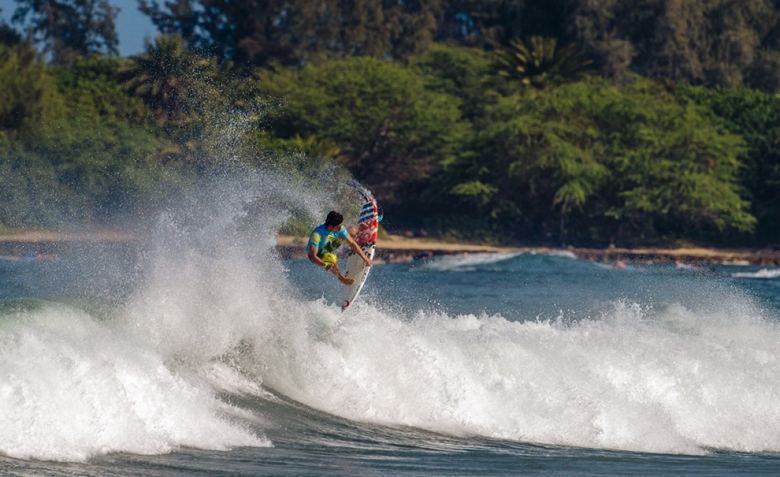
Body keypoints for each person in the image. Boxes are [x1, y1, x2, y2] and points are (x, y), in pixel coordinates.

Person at [308, 211, 373, 285]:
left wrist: (365, 258)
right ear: (330, 226)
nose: (340, 228)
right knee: (332, 258)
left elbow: (352, 243)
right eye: (338, 227)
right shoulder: (317, 234)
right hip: (317, 253)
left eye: (341, 225)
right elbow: (313, 256)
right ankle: (341, 278)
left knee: (348, 232)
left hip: (328, 244)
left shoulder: (339, 228)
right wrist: (325, 265)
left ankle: (358, 229)